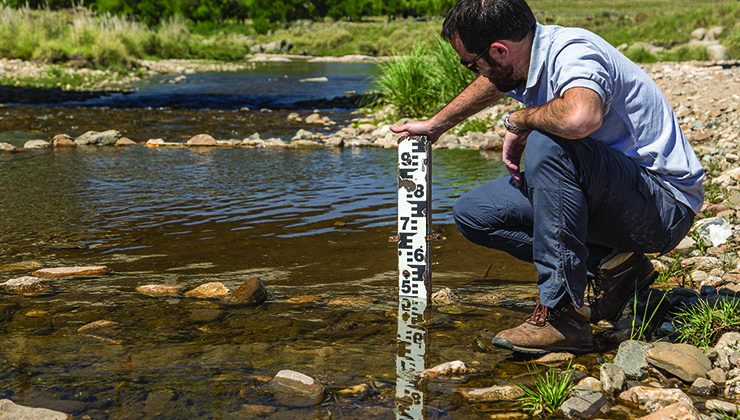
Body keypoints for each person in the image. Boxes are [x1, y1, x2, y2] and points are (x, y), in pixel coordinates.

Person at [390, 0, 704, 354]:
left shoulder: (574, 53)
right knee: (475, 213)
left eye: (471, 64)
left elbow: (579, 119)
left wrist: (520, 120)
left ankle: (561, 315)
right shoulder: (523, 59)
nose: (475, 73)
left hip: (662, 208)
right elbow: (493, 82)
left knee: (549, 141)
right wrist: (436, 125)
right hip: (618, 198)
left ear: (499, 50)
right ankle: (618, 267)